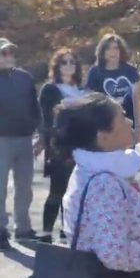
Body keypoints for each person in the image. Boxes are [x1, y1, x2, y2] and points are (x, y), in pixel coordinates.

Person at [57, 94, 140, 278]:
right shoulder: (104, 184)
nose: (129, 122)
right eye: (123, 117)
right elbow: (114, 254)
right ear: (103, 137)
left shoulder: (94, 169)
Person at [38, 48, 86, 244]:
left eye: (72, 62)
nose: (68, 66)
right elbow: (46, 119)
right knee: (57, 191)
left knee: (74, 192)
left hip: (80, 146)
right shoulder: (50, 89)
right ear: (57, 66)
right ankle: (46, 233)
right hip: (59, 147)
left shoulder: (82, 90)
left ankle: (67, 231)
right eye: (64, 62)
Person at [0, 38, 41, 250]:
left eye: (10, 53)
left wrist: (41, 134)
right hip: (1, 141)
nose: (8, 57)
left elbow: (35, 107)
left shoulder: (24, 78)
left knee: (24, 187)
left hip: (25, 139)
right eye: (3, 53)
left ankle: (23, 229)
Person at [86, 33, 140, 144]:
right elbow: (91, 102)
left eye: (116, 48)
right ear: (103, 52)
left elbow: (136, 102)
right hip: (105, 125)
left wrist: (139, 126)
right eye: (108, 49)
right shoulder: (95, 72)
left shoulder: (131, 71)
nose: (113, 52)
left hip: (128, 123)